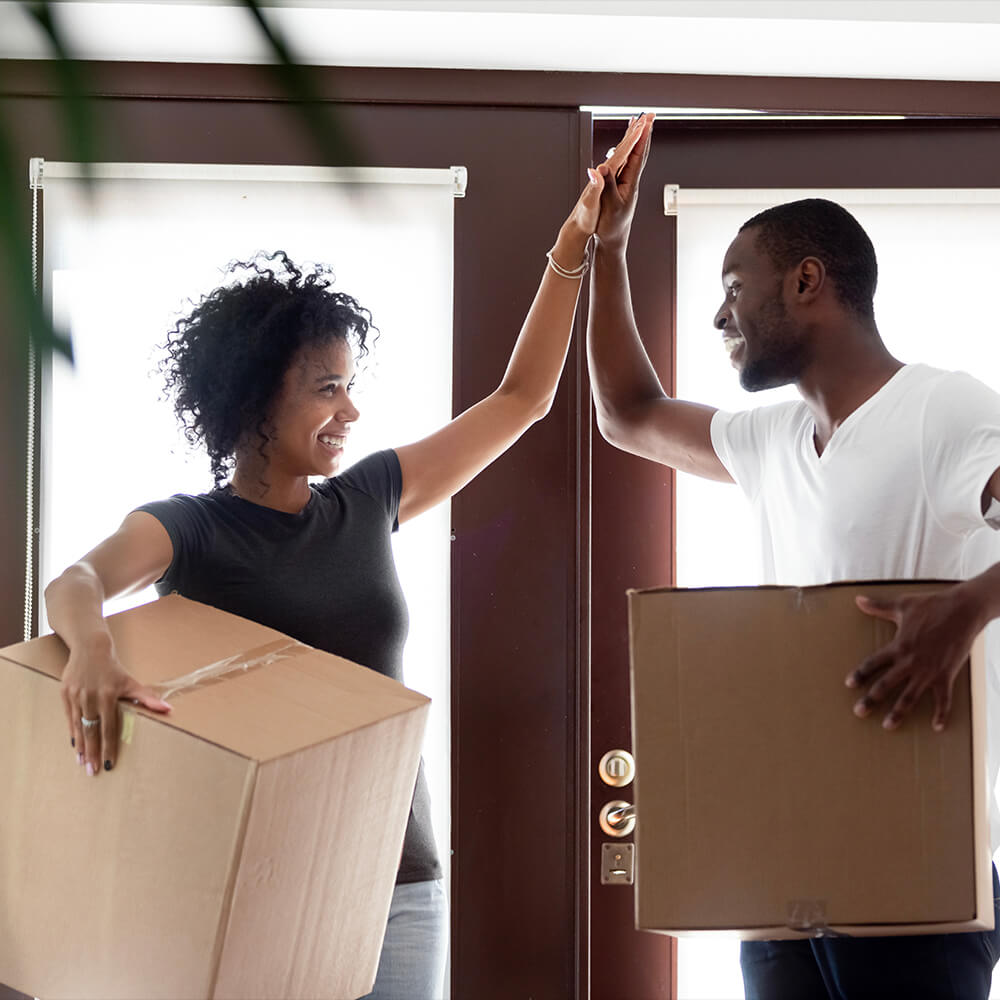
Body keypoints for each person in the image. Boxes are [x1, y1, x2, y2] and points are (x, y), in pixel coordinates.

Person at [42, 115, 647, 1000]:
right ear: (253, 399)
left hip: (399, 882)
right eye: (328, 388)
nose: (351, 411)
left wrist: (576, 241)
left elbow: (522, 398)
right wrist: (92, 650)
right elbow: (78, 582)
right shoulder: (193, 529)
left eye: (351, 385)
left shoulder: (368, 499)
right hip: (248, 876)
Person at [586, 122, 1000, 998]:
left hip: (913, 874)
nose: (718, 314)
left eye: (735, 287)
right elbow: (626, 413)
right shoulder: (773, 437)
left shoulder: (942, 410)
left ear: (807, 281)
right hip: (781, 876)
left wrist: (967, 608)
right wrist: (609, 248)